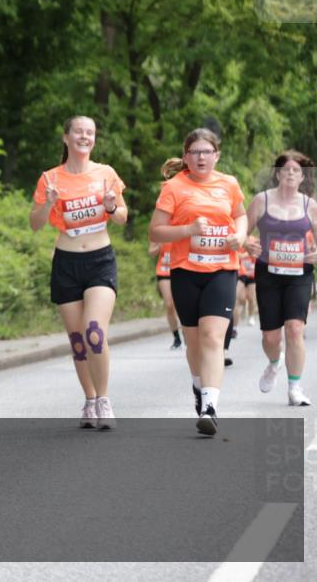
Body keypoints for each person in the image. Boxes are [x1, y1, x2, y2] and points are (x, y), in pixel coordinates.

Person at [30, 116, 127, 430]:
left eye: (91, 133)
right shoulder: (50, 178)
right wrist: (49, 204)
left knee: (94, 331)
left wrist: (111, 206)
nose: (85, 137)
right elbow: (35, 223)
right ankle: (89, 399)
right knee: (78, 341)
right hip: (67, 262)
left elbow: (122, 217)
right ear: (66, 137)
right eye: (79, 132)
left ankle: (104, 399)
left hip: (100, 260)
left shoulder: (105, 173)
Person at [148, 128, 247, 436]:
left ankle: (210, 407)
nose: (201, 157)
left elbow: (240, 215)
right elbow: (155, 231)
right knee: (193, 341)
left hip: (222, 270)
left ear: (216, 155)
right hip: (185, 272)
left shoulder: (229, 183)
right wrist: (188, 230)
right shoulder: (174, 187)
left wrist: (240, 235)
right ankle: (197, 386)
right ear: (186, 156)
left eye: (207, 152)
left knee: (212, 338)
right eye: (195, 152)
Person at [245, 150, 317, 407]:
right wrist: (248, 243)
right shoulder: (262, 200)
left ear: (302, 177)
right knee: (271, 337)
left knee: (295, 329)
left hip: (299, 273)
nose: (291, 173)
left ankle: (294, 388)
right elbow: (243, 231)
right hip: (268, 272)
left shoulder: (310, 205)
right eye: (286, 169)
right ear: (278, 174)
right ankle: (274, 361)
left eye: (296, 170)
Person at [149, 241, 183, 350]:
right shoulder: (159, 232)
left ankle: (188, 333)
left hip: (180, 270)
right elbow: (151, 252)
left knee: (182, 305)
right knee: (169, 305)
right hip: (164, 271)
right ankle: (176, 338)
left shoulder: (181, 230)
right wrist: (159, 245)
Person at [237, 246, 258, 326]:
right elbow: (237, 256)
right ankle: (244, 306)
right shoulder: (239, 248)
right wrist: (245, 254)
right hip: (241, 275)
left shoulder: (252, 248)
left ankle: (251, 316)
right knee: (241, 297)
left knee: (251, 297)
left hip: (251, 276)